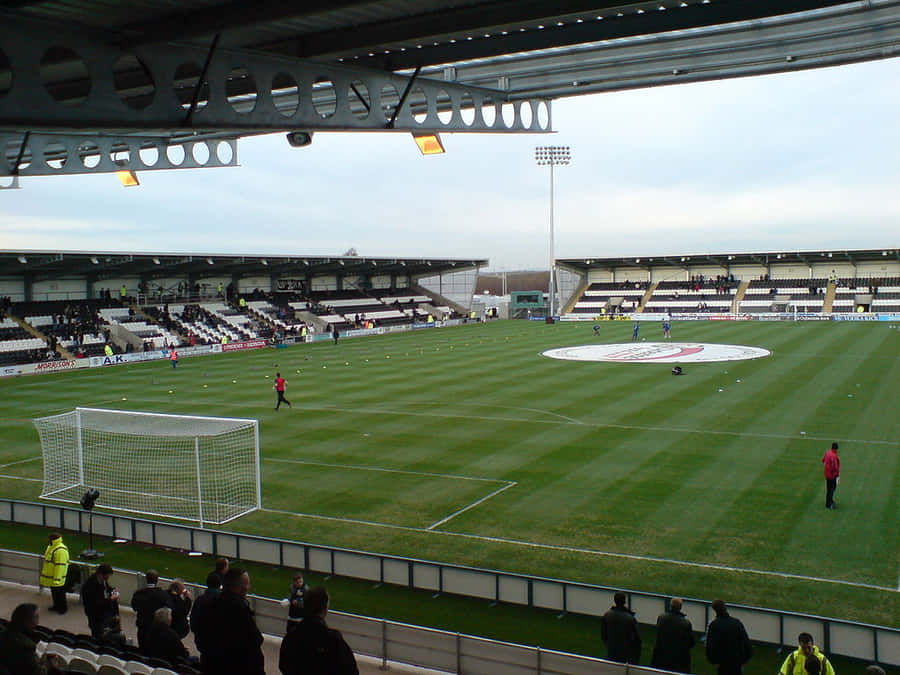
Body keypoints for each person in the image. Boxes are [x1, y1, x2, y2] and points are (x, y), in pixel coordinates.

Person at [279, 586, 359, 675]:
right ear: (325, 609)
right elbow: (351, 670)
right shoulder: (333, 639)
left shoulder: (291, 636)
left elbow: (283, 666)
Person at [204, 567, 265, 675]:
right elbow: (255, 639)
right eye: (246, 584)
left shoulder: (212, 603)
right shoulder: (239, 608)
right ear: (239, 587)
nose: (248, 587)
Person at [0, 603, 66, 675]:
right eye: (36, 617)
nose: (38, 622)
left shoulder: (4, 634)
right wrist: (49, 666)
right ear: (26, 621)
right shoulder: (25, 646)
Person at [705, 599, 752, 675]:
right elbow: (746, 642)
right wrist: (745, 659)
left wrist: (713, 661)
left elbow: (710, 646)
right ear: (725, 608)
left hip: (722, 663)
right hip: (736, 661)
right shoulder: (736, 623)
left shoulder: (714, 625)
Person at [651, 597, 695, 673]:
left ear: (670, 606)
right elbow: (691, 643)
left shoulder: (661, 618)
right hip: (678, 660)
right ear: (680, 607)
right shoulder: (685, 623)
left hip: (662, 657)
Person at [190, 572, 222, 668]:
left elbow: (193, 621)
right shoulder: (223, 600)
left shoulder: (200, 600)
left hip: (203, 643)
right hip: (218, 645)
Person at [131, 569, 169, 650]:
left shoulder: (139, 593)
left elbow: (134, 607)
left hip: (142, 626)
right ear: (157, 580)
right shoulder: (163, 594)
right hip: (155, 628)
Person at [600, 591, 642, 664]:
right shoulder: (630, 618)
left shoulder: (607, 615)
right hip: (625, 655)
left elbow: (603, 635)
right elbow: (637, 639)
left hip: (611, 652)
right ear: (624, 601)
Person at [81, 563, 120, 639]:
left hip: (104, 613)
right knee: (98, 635)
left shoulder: (102, 581)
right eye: (107, 575)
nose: (108, 577)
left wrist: (113, 591)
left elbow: (107, 589)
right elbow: (95, 603)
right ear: (101, 574)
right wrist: (111, 599)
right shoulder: (89, 586)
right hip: (95, 615)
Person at [40, 532, 69, 614]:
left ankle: (63, 608)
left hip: (57, 578)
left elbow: (60, 565)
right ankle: (56, 606)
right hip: (52, 577)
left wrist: (57, 578)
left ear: (52, 539)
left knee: (60, 594)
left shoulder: (60, 550)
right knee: (55, 593)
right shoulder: (52, 547)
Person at [822, 442, 840, 509]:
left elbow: (823, 460)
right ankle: (829, 504)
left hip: (827, 474)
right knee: (831, 489)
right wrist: (837, 474)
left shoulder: (827, 452)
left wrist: (826, 468)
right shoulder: (833, 456)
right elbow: (834, 467)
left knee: (829, 489)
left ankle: (830, 501)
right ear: (836, 449)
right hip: (832, 475)